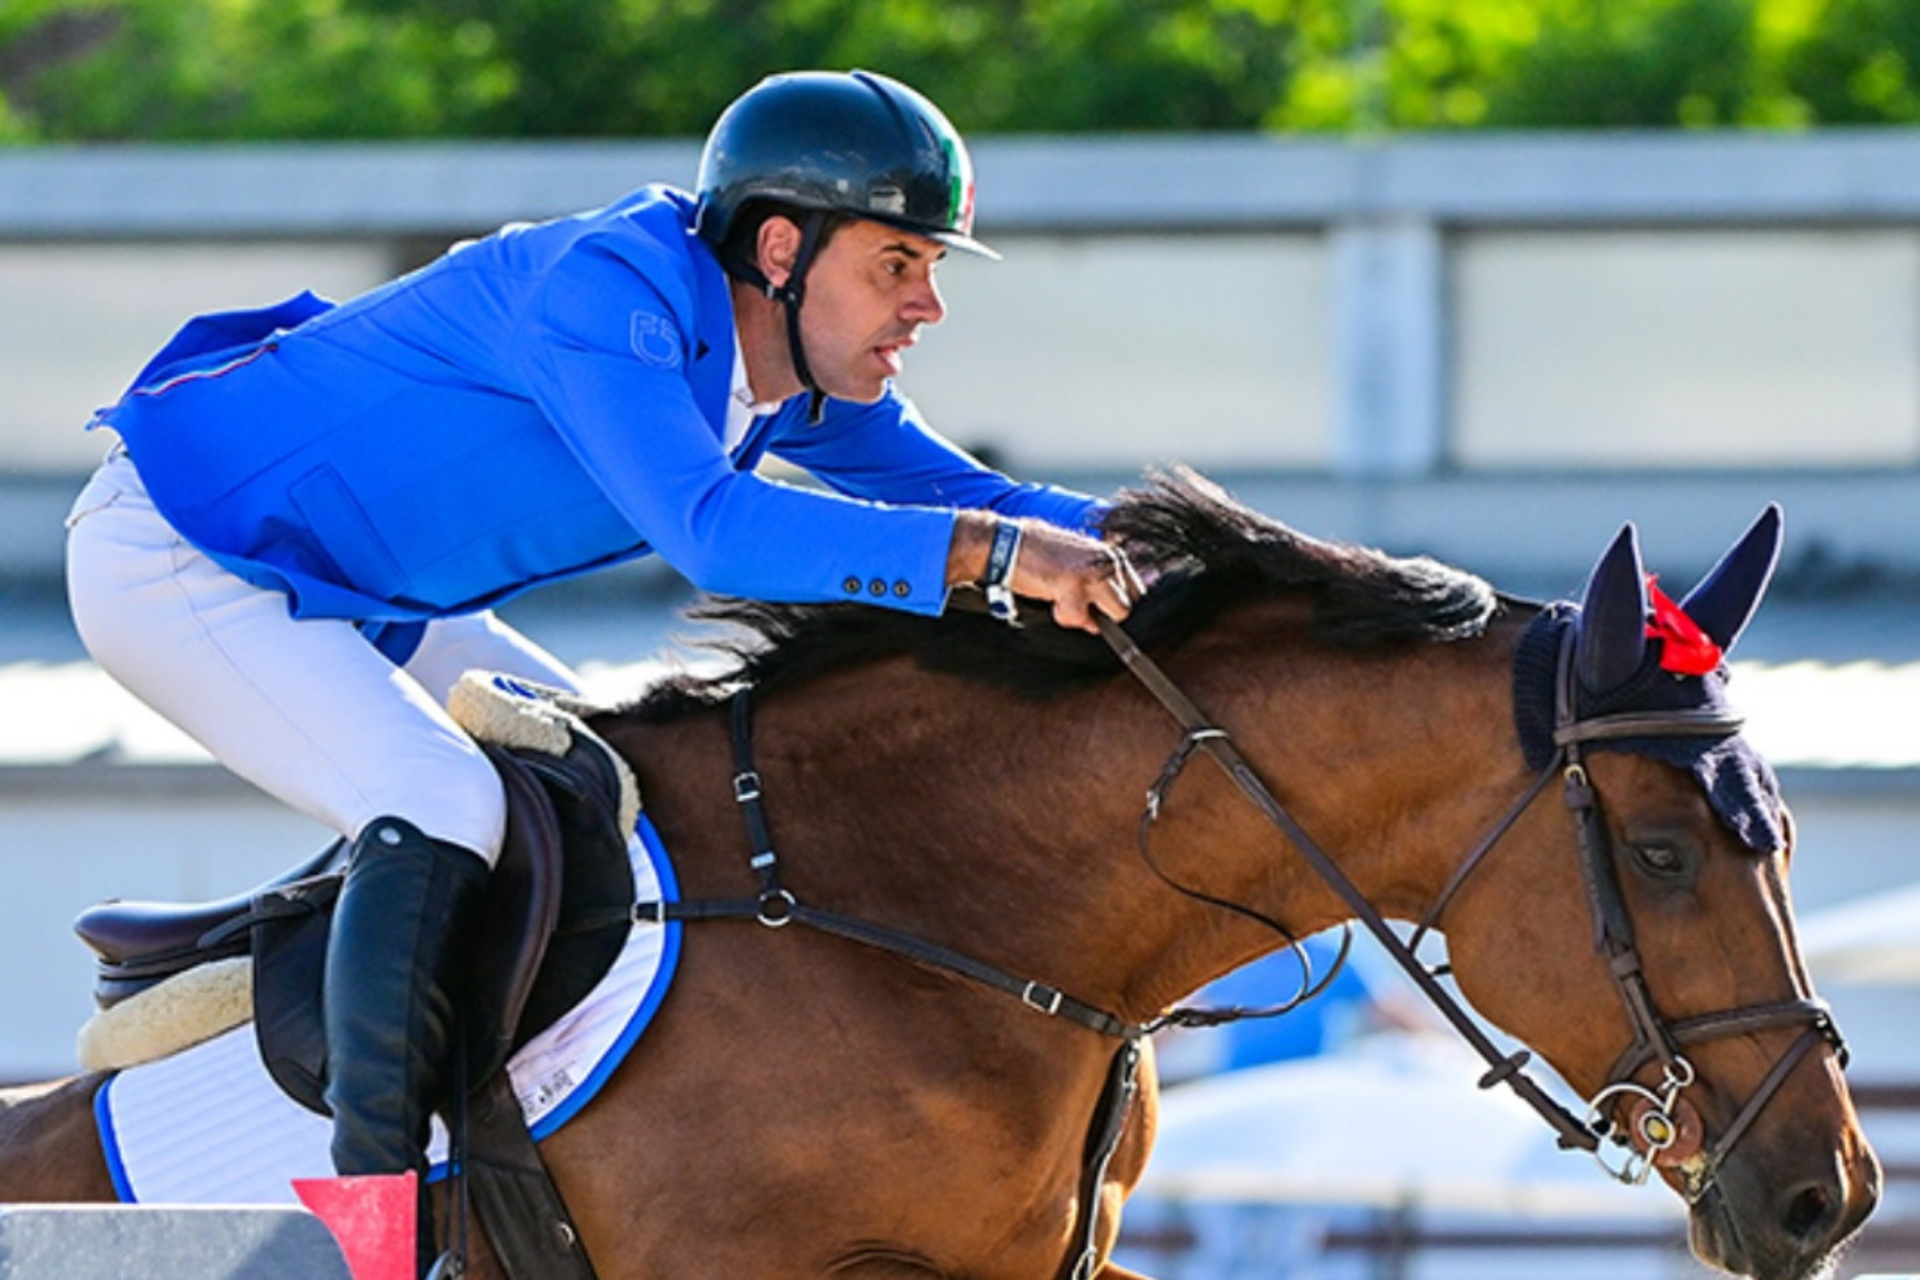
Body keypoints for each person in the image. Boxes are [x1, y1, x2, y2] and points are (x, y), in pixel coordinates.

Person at [64, 68, 1137, 1270]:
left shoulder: (787, 377)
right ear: (781, 247)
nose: (927, 303)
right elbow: (712, 531)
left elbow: (984, 498)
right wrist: (995, 557)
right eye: (898, 263)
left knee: (617, 774)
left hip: (361, 592)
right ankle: (375, 1225)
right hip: (184, 557)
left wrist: (1240, 560)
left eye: (930, 268)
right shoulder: (606, 291)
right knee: (445, 800)